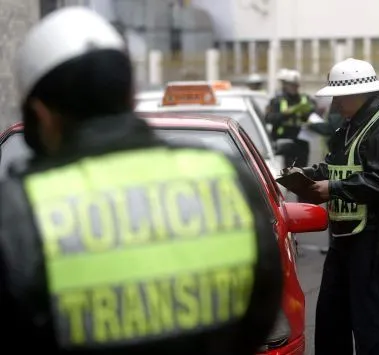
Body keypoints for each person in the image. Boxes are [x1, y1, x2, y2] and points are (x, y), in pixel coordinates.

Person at [0, 7, 283, 354]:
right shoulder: (226, 179)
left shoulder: (18, 211)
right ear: (131, 95)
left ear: (41, 115)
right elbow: (261, 312)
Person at [289, 58, 379, 355]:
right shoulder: (351, 126)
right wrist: (307, 176)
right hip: (345, 235)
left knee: (369, 319)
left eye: (338, 97)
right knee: (332, 316)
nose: (334, 104)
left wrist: (333, 189)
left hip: (376, 235)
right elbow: (338, 167)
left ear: (357, 94)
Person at [265, 69, 317, 169]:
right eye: (291, 85)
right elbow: (269, 118)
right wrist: (285, 114)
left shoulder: (305, 99)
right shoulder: (277, 101)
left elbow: (312, 114)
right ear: (285, 85)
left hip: (301, 142)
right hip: (282, 140)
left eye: (296, 85)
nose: (294, 87)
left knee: (301, 172)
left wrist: (306, 112)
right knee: (284, 172)